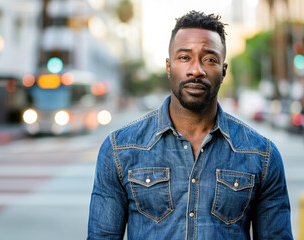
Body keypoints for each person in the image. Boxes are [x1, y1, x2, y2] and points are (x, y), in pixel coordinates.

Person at [88, 10, 293, 239]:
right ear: (169, 67)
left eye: (210, 59)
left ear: (224, 71)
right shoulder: (119, 149)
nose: (196, 70)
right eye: (184, 57)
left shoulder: (262, 155)